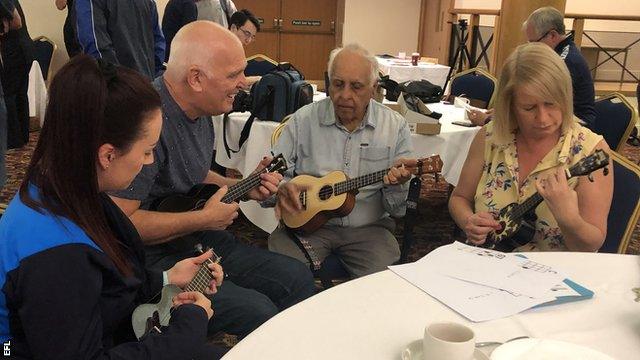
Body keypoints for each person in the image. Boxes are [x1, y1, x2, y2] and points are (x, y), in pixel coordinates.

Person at [0, 55, 227, 359]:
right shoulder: (56, 259)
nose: (149, 162)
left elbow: (103, 279)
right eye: (147, 151)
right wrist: (190, 324)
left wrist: (167, 277)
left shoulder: (61, 186)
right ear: (107, 155)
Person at [111, 21, 315, 339]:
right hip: (153, 258)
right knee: (259, 311)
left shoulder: (201, 111)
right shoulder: (146, 121)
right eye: (233, 75)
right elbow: (122, 223)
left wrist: (242, 187)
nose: (244, 84)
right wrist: (204, 218)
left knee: (298, 278)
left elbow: (191, 174)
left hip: (196, 239)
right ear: (196, 78)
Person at [448, 42, 613, 252]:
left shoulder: (589, 149)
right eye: (529, 107)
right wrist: (469, 221)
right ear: (510, 105)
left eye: (551, 103)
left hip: (554, 276)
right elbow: (459, 198)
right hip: (488, 264)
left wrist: (569, 218)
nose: (542, 118)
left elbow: (590, 247)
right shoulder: (490, 136)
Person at [269, 43, 416, 278]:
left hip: (369, 231)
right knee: (283, 274)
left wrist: (396, 185)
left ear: (373, 89)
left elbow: (398, 210)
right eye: (338, 84)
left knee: (383, 286)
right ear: (328, 82)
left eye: (356, 87)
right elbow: (271, 179)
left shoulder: (395, 126)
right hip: (306, 228)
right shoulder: (302, 120)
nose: (345, 95)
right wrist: (282, 190)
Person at [523, 6, 596, 129]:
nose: (531, 48)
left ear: (552, 35)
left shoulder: (566, 61)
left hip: (577, 125)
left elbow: (540, 99)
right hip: (561, 117)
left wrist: (492, 118)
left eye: (534, 43)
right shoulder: (558, 53)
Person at [75, 0, 165, 79]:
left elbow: (95, 46)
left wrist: (116, 83)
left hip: (117, 89)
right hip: (146, 84)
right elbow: (159, 47)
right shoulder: (148, 2)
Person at [0, 0, 32, 149]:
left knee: (9, 95)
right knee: (19, 94)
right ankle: (22, 137)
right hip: (22, 48)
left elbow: (16, 22)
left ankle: (13, 140)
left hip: (14, 49)